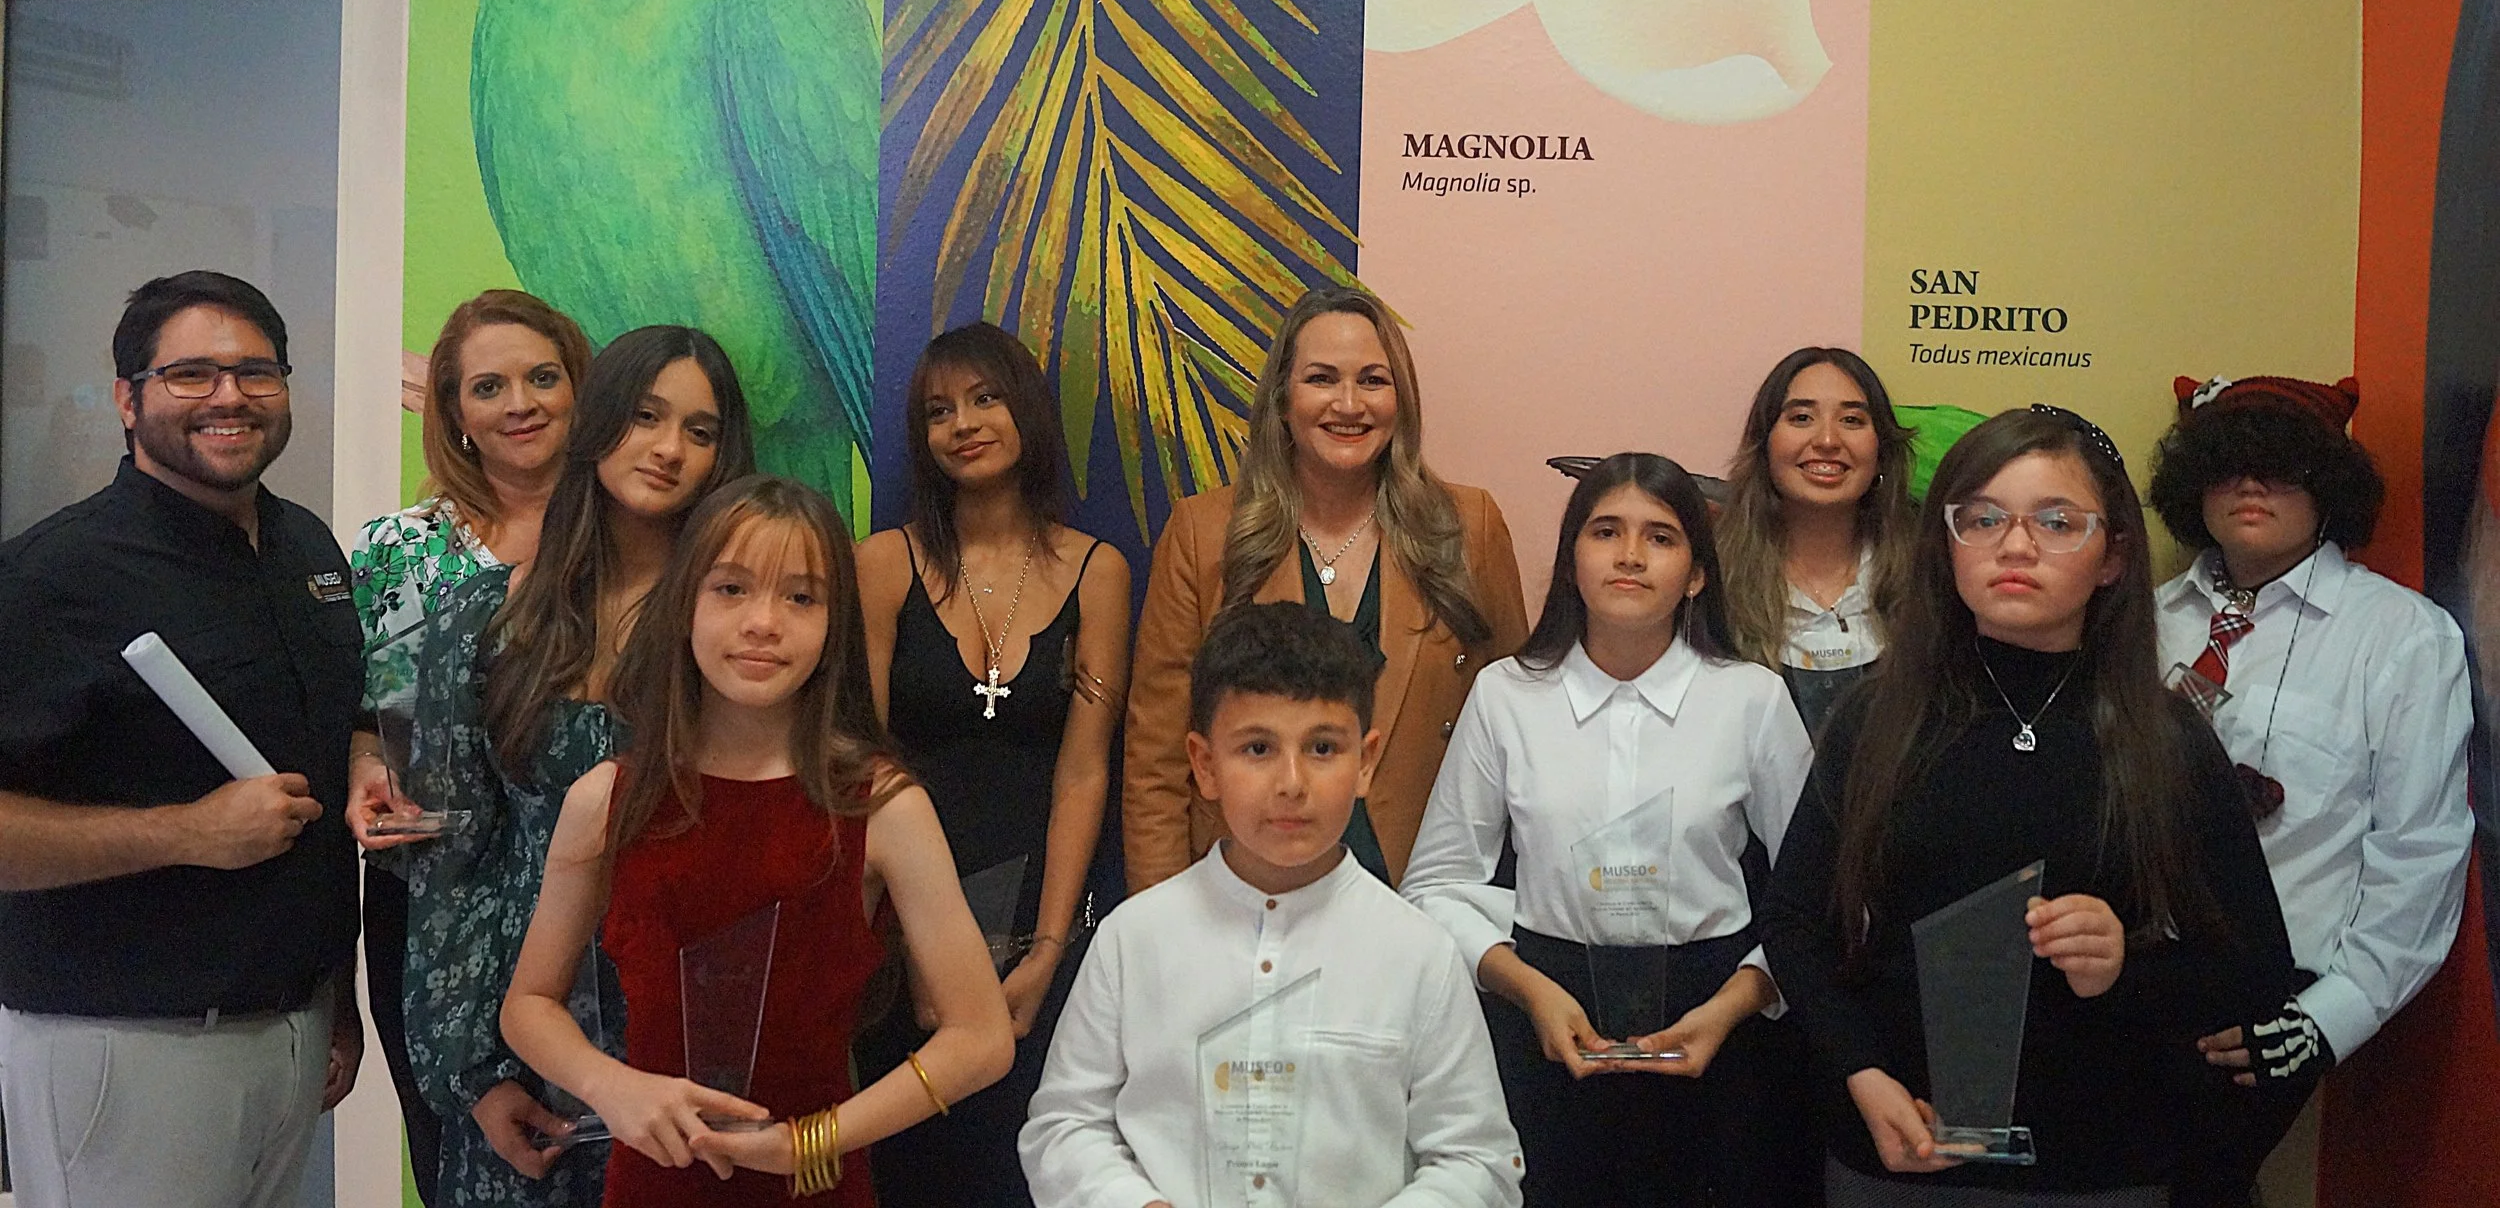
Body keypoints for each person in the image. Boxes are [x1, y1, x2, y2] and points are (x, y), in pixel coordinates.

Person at [1761, 406, 2300, 1207]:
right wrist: (1860, 1073)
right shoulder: (1878, 718)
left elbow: (2254, 972)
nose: (2015, 546)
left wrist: (2123, 966)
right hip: (1899, 1151)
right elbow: (1793, 923)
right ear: (1946, 544)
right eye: (1982, 519)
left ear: (2113, 557)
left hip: (2100, 1165)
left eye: (2056, 522)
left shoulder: (2164, 737)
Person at [502, 474, 1015, 1205]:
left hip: (816, 1180)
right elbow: (528, 1004)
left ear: (834, 626)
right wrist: (610, 1086)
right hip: (653, 1177)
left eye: (801, 598)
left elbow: (981, 1037)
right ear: (685, 604)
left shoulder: (881, 805)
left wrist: (811, 1142)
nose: (763, 623)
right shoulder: (606, 799)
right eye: (731, 589)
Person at [368, 325, 756, 1207]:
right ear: (597, 423)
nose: (668, 448)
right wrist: (474, 1075)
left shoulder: (742, 625)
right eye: (646, 416)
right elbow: (451, 855)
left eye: (699, 431)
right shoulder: (486, 615)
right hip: (522, 1029)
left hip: (693, 1024)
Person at [0, 271, 364, 1207]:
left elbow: (331, 755)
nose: (229, 396)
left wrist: (336, 996)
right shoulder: (53, 577)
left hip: (293, 1028)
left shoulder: (308, 551)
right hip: (127, 1045)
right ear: (128, 399)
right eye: (191, 373)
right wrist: (184, 833)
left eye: (256, 371)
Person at [1403, 452, 1812, 1207]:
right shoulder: (1506, 696)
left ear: (1697, 574)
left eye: (1660, 537)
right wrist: (1528, 989)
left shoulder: (1751, 699)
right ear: (1570, 562)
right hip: (1547, 1017)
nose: (1629, 555)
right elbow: (1433, 884)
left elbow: (1816, 894)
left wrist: (1733, 1005)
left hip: (1716, 1018)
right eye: (1605, 531)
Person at [1023, 601, 1525, 1207]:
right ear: (1204, 765)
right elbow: (1063, 1126)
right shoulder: (1134, 939)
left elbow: (1478, 1160)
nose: (1291, 783)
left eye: (1323, 748)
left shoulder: (1418, 953)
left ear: (1365, 763)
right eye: (1258, 749)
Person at [2147, 374, 2472, 1207]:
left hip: (2275, 989)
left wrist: (2326, 1020)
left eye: (2283, 466)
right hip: (2125, 972)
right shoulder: (2139, 622)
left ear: (2329, 484)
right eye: (2228, 463)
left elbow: (2420, 851)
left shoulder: (2401, 637)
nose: (2252, 485)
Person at [853, 321, 1131, 1205]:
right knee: (907, 1167)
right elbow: (862, 764)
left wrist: (1046, 950)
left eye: (985, 399)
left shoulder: (1098, 572)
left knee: (1020, 1164)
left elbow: (1084, 771)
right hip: (898, 929)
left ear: (1028, 412)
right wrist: (918, 944)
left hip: (1039, 919)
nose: (963, 424)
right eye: (939, 411)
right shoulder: (882, 565)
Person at [1126, 285, 1530, 891]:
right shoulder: (1202, 535)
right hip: (1244, 895)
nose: (1348, 404)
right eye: (1321, 379)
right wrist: (1163, 924)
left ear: (1402, 400)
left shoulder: (1468, 528)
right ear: (1283, 399)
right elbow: (1155, 767)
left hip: (1423, 897)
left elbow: (1517, 729)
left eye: (1373, 380)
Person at [349, 287, 593, 1205]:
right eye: (488, 386)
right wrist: (367, 774)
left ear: (581, 389)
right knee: (453, 1152)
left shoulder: (633, 536)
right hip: (430, 897)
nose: (520, 403)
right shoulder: (397, 550)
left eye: (543, 377)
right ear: (452, 409)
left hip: (589, 894)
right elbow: (366, 716)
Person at [1716, 348, 1917, 735]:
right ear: (1764, 444)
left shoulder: (1931, 575)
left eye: (1852, 420)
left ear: (1881, 451)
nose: (1827, 440)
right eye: (1801, 418)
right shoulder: (1709, 579)